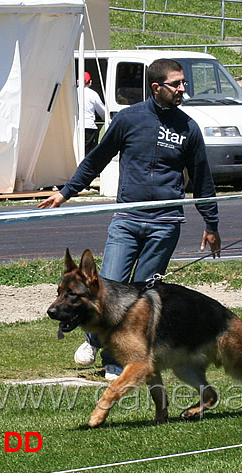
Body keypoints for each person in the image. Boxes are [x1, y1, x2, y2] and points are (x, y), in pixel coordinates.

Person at [39, 59, 221, 380]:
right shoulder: (128, 119)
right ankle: (93, 340)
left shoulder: (188, 127)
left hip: (166, 225)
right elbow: (97, 158)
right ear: (156, 87)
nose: (182, 89)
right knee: (106, 285)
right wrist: (66, 192)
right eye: (176, 84)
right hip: (127, 219)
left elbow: (203, 180)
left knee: (140, 298)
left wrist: (211, 224)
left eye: (183, 83)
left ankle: (115, 361)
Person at [82, 71, 106, 155]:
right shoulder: (93, 94)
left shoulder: (74, 92)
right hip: (89, 126)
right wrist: (106, 118)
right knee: (88, 152)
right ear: (90, 82)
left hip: (77, 127)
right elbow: (101, 110)